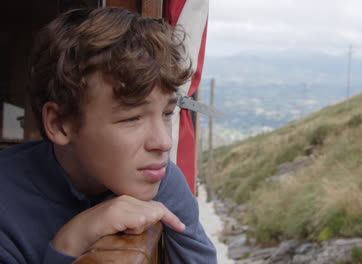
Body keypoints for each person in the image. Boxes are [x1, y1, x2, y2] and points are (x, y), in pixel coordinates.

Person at [0, 7, 216, 264]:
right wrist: (70, 242)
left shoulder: (163, 180)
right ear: (59, 124)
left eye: (167, 113)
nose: (164, 142)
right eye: (132, 118)